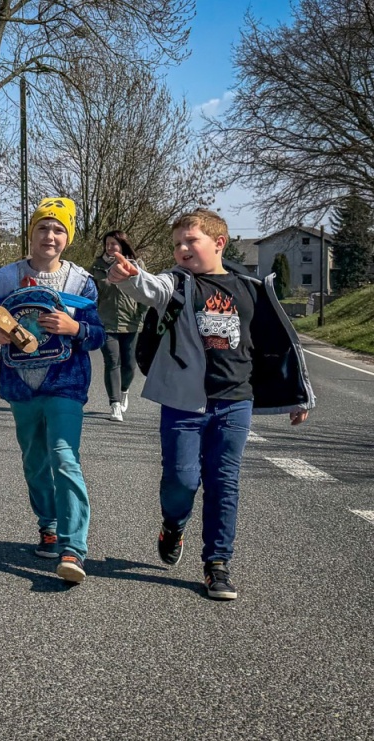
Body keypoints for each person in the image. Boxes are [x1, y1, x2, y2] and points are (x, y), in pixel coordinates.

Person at [108, 208, 314, 600]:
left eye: (191, 241)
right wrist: (131, 277)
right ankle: (173, 525)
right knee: (181, 481)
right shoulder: (177, 283)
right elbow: (150, 288)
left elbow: (274, 345)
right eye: (177, 244)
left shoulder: (250, 288)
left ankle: (217, 564)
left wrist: (296, 395)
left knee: (223, 483)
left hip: (234, 403)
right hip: (183, 404)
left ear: (219, 243)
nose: (182, 249)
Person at [0, 198, 104, 585]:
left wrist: (75, 328)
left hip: (65, 383)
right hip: (21, 385)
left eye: (59, 229)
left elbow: (98, 334)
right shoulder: (6, 278)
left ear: (68, 238)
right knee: (35, 461)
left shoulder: (80, 282)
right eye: (43, 227)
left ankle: (73, 547)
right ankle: (49, 525)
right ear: (31, 234)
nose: (50, 235)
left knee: (64, 457)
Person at [91, 231, 146, 421]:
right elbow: (92, 294)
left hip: (131, 322)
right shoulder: (97, 267)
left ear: (122, 245)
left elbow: (145, 291)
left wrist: (141, 312)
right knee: (112, 362)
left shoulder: (136, 265)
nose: (109, 247)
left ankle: (124, 391)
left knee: (129, 364)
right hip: (106, 322)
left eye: (113, 244)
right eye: (107, 244)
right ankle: (114, 404)